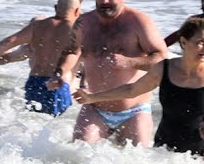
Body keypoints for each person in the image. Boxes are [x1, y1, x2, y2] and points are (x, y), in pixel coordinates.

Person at [47, 0, 167, 146]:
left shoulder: (138, 22)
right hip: (94, 106)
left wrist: (129, 62)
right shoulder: (85, 22)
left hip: (134, 110)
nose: (104, 1)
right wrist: (60, 73)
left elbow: (162, 59)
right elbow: (72, 51)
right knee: (77, 157)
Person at [76, 16, 204, 156]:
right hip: (164, 151)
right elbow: (131, 90)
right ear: (184, 42)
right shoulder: (164, 68)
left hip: (200, 155)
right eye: (201, 42)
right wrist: (92, 98)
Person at [0, 0, 81, 117]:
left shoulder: (37, 26)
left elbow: (10, 41)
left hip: (34, 82)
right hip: (57, 83)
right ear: (77, 11)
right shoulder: (76, 31)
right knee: (55, 126)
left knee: (32, 122)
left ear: (55, 8)